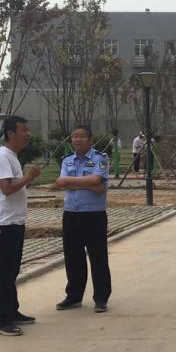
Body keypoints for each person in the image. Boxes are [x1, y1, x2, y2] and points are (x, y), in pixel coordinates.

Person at [0, 116, 42, 336]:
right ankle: (1, 321)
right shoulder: (1, 156)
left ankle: (12, 311)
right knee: (3, 274)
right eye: (24, 130)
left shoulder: (12, 156)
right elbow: (7, 189)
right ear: (10, 133)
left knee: (12, 272)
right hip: (2, 224)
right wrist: (29, 177)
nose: (28, 134)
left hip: (14, 222)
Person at [53, 125, 111, 313]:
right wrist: (88, 183)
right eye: (75, 136)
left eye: (82, 136)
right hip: (71, 214)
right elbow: (62, 183)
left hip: (94, 215)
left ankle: (101, 298)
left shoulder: (100, 158)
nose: (78, 140)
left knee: (98, 257)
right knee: (73, 257)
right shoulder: (66, 160)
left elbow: (97, 182)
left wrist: (71, 182)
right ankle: (74, 296)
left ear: (90, 139)